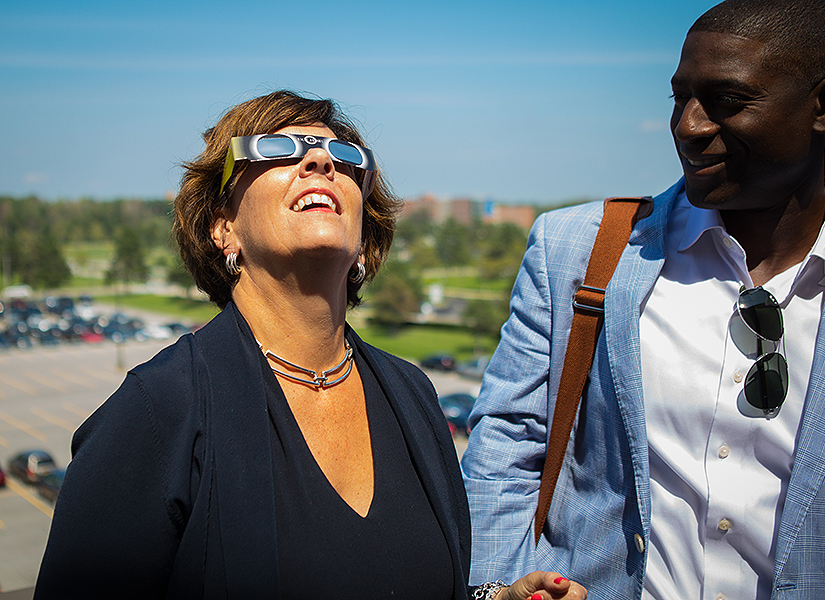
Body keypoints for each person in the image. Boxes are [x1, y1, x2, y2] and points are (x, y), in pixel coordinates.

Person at [34, 90, 585, 600]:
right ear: (223, 226)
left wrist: (496, 597)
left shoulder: (411, 394)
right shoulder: (156, 412)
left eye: (344, 157)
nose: (320, 161)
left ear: (364, 238)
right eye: (277, 149)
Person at [462, 1, 825, 598]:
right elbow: (507, 445)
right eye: (680, 98)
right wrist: (494, 588)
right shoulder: (579, 253)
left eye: (728, 100)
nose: (688, 126)